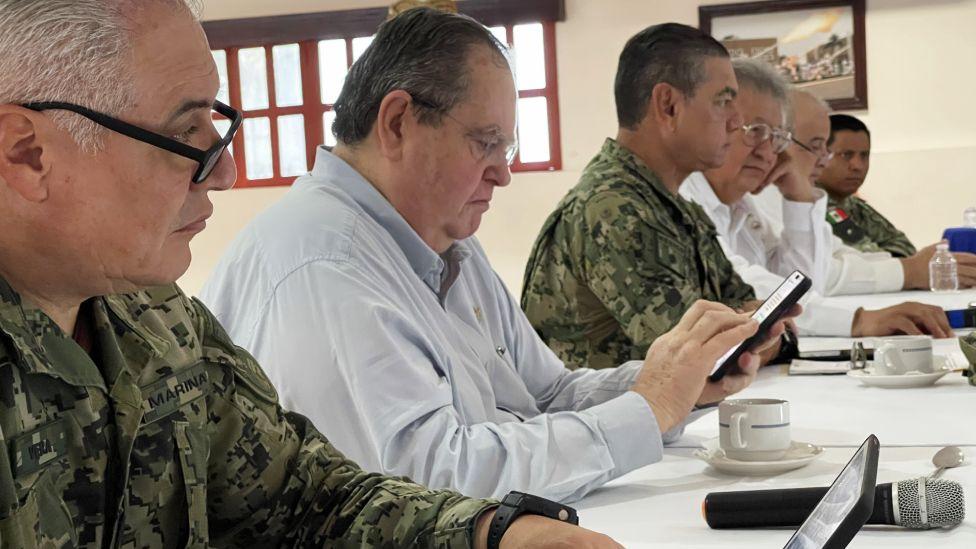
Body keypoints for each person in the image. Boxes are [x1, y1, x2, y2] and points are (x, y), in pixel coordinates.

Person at [0, 1, 618, 546]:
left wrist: (494, 533)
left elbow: (302, 495)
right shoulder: (317, 257)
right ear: (29, 154)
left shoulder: (153, 316)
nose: (224, 172)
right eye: (185, 132)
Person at [202, 12, 788, 504]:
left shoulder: (443, 238)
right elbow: (430, 482)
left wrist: (678, 384)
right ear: (399, 122)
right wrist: (649, 407)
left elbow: (546, 396)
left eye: (507, 147)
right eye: (486, 143)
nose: (504, 174)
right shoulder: (326, 264)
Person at [520, 23, 768, 370]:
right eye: (723, 101)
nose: (736, 121)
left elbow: (743, 308)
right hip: (606, 420)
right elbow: (696, 357)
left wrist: (754, 333)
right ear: (668, 106)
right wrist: (753, 336)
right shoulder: (613, 209)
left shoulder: (676, 208)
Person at [681, 59, 951, 338]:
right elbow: (742, 284)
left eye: (776, 137)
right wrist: (856, 321)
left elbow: (804, 283)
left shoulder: (741, 204)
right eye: (756, 131)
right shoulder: (686, 200)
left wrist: (799, 197)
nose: (768, 152)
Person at [754, 91, 976, 296]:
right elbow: (809, 281)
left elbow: (843, 256)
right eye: (816, 146)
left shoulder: (816, 201)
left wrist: (915, 266)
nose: (824, 159)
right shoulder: (765, 200)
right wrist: (908, 272)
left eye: (864, 156)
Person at [818, 114, 917, 257]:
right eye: (846, 155)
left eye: (864, 155)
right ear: (820, 155)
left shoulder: (854, 205)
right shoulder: (811, 204)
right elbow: (868, 261)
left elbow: (906, 248)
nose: (858, 166)